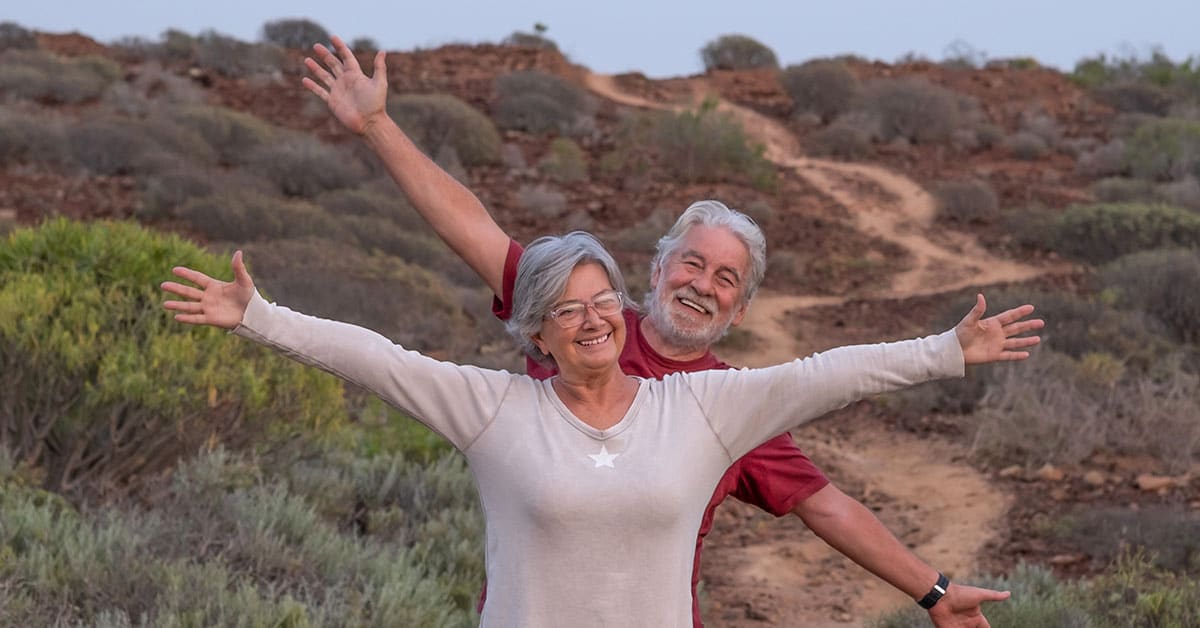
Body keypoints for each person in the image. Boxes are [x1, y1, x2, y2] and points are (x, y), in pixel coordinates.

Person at [300, 35, 1041, 626]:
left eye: (726, 279)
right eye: (693, 263)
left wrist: (934, 590)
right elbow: (472, 229)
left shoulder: (726, 408)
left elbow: (827, 505)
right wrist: (377, 126)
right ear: (656, 270)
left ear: (739, 311)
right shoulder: (579, 315)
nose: (703, 285)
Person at [162, 231, 1037, 627]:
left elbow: (826, 376)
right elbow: (379, 358)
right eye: (565, 309)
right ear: (534, 331)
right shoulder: (496, 410)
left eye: (600, 302)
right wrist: (259, 317)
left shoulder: (702, 409)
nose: (591, 320)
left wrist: (946, 351)